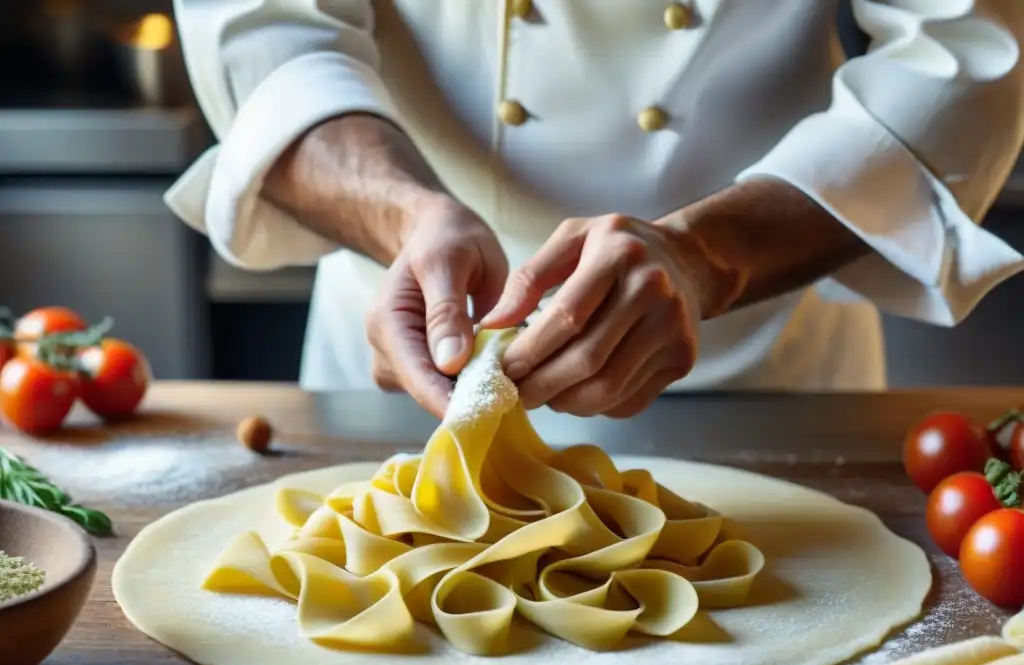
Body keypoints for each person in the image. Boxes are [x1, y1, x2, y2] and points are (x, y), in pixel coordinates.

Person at [166, 0, 1024, 419]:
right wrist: (403, 217)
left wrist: (704, 257)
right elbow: (268, 30)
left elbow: (963, 55)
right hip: (403, 367)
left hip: (761, 368)